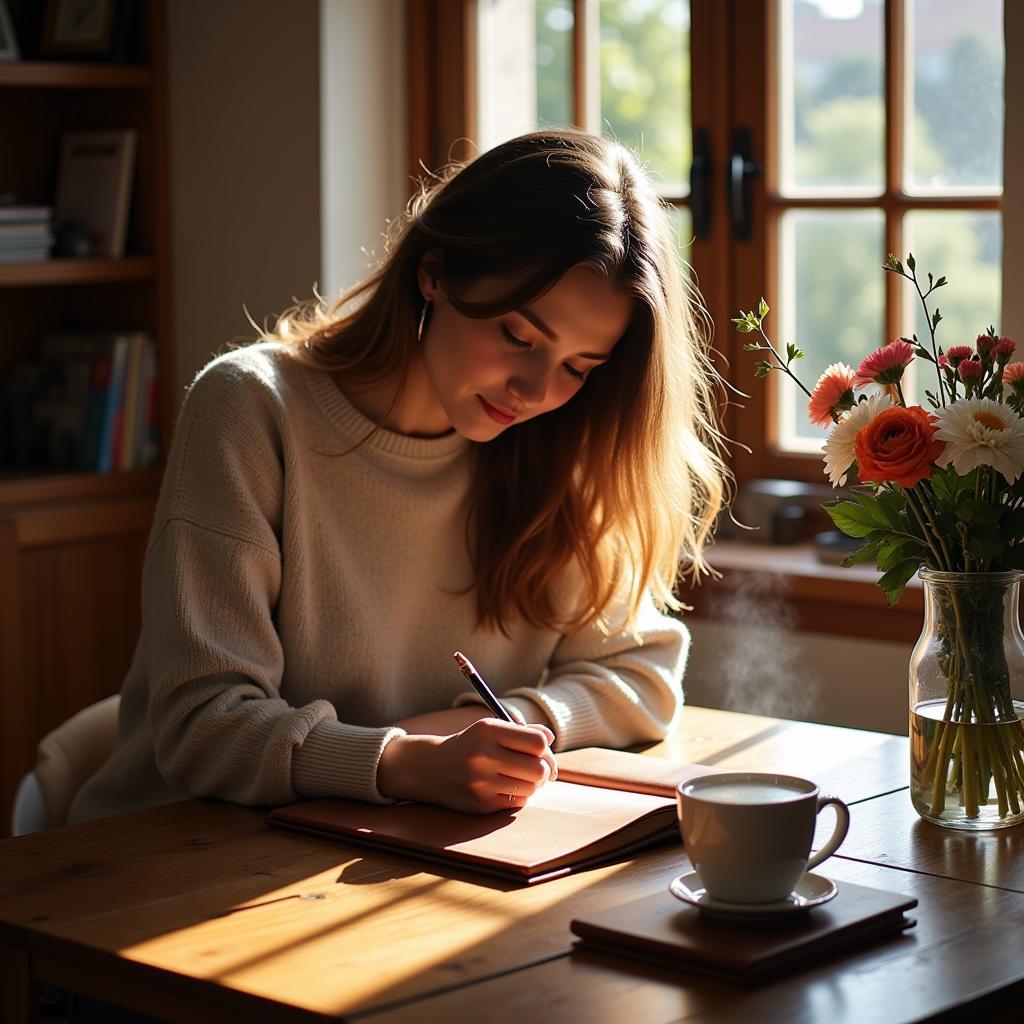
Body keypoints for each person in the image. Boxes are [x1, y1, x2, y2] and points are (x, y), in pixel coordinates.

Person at [69, 129, 729, 825]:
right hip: (167, 855)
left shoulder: (552, 444)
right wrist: (404, 761)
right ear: (434, 272)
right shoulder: (252, 410)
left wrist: (502, 727)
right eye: (519, 336)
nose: (536, 390)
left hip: (368, 850)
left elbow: (642, 673)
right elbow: (203, 727)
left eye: (578, 367)